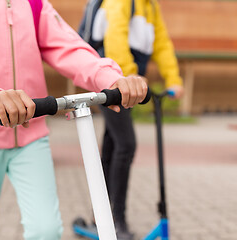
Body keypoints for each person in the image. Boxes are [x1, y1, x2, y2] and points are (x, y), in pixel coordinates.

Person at [0, 0, 148, 239]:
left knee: (46, 230)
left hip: (31, 135)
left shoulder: (33, 4)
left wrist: (109, 77)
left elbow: (68, 48)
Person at [94, 0, 184, 239]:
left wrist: (173, 78)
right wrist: (129, 74)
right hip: (113, 83)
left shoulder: (151, 6)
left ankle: (99, 215)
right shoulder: (121, 1)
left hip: (128, 87)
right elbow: (115, 37)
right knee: (126, 145)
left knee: (113, 147)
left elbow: (162, 44)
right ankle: (115, 220)